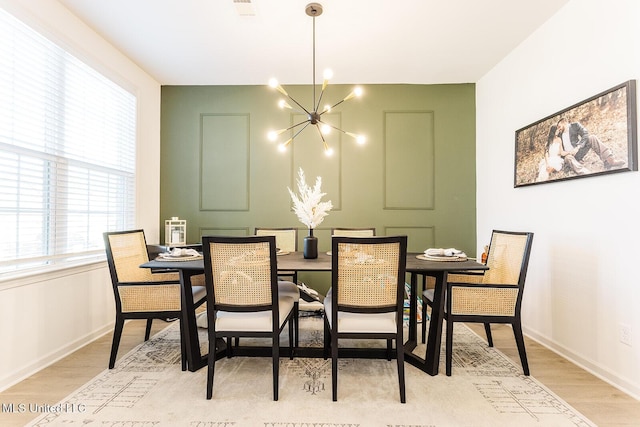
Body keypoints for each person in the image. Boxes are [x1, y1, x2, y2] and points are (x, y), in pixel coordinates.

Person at [556, 118, 626, 171]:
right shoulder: (559, 135)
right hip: (569, 157)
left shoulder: (575, 126)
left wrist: (577, 147)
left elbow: (585, 134)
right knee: (568, 158)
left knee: (592, 138)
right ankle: (578, 166)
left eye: (559, 126)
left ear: (564, 122)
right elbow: (559, 150)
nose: (558, 129)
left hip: (578, 151)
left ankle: (610, 160)